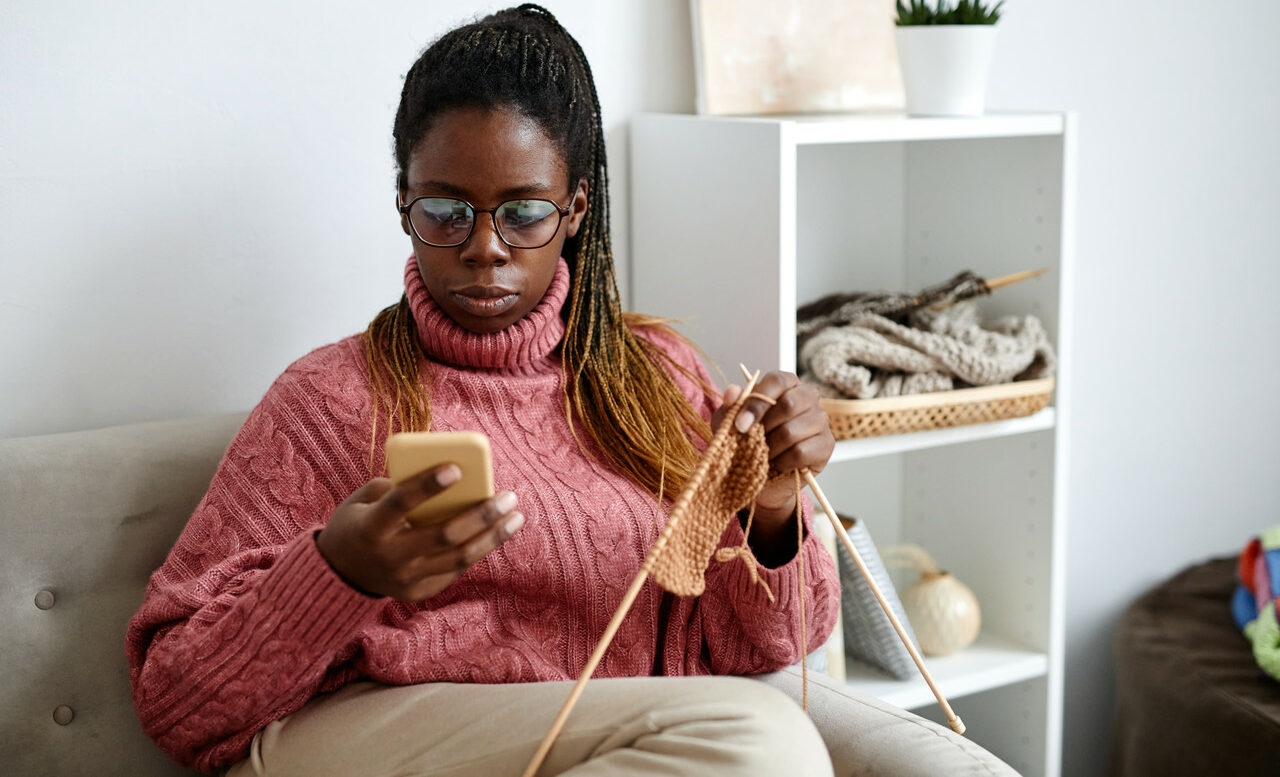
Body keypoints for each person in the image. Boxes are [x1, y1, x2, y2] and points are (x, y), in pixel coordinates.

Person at [127, 6, 1013, 777]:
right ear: (403, 202)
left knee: (757, 733)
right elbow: (176, 701)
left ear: (577, 209)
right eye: (446, 209)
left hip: (612, 741)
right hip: (355, 739)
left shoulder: (652, 378)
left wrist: (771, 506)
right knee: (760, 742)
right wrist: (337, 573)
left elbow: (771, 647)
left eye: (523, 211)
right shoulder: (329, 401)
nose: (483, 247)